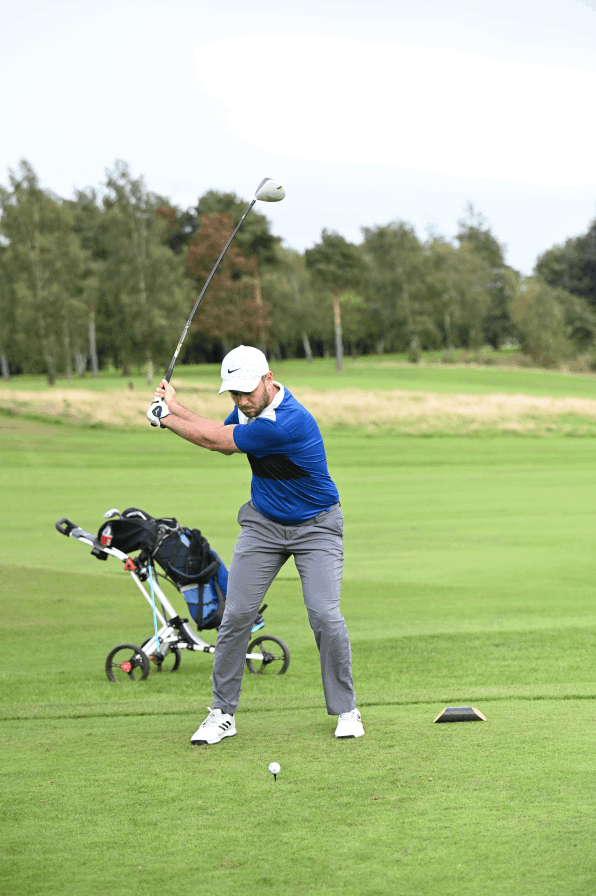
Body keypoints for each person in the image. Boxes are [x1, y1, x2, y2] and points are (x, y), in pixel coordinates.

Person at [148, 345, 364, 744]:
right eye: (234, 394)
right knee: (236, 615)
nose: (241, 402)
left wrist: (165, 420)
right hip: (263, 524)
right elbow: (220, 429)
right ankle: (221, 714)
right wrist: (175, 408)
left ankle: (347, 710)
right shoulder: (251, 410)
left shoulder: (288, 421)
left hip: (317, 527)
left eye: (247, 392)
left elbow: (217, 443)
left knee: (324, 614)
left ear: (268, 379)